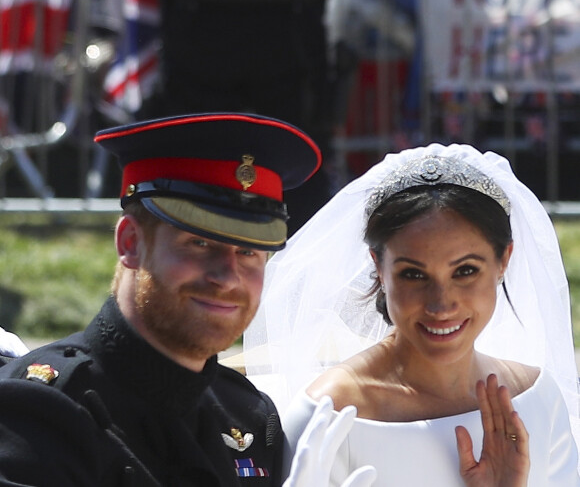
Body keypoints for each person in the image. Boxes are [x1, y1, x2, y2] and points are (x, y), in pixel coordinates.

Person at [0, 112, 376, 487]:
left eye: (249, 253)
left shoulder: (250, 417)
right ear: (131, 243)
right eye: (200, 243)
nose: (227, 277)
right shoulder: (41, 409)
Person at [244, 143, 580, 485]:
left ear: (503, 261)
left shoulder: (537, 397)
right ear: (378, 268)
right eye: (414, 274)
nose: (441, 304)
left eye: (465, 271)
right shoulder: (331, 416)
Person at [98, 0, 378, 234]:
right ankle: (298, 268)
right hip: (289, 29)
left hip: (197, 26)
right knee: (298, 154)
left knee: (194, 155)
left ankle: (191, 254)